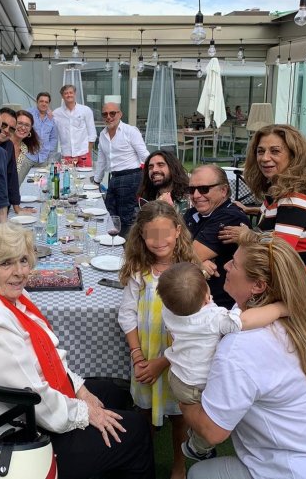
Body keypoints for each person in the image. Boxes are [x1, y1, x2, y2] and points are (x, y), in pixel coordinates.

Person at [0, 223, 155, 479]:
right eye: (5, 264)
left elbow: (44, 355)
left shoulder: (4, 298)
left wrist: (80, 389)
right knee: (136, 430)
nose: (20, 272)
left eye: (23, 260)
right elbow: (37, 400)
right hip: (24, 433)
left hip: (28, 410)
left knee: (113, 393)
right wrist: (85, 411)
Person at [181, 230, 306, 479]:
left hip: (287, 467)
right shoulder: (292, 318)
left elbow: (212, 431)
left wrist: (182, 397)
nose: (226, 265)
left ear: (258, 285)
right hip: (300, 444)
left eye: (235, 263)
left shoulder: (241, 347)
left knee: (198, 473)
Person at [157, 261, 287, 462]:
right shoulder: (213, 318)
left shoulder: (170, 311)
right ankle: (198, 448)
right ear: (206, 298)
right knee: (207, 423)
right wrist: (279, 309)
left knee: (189, 413)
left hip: (177, 376)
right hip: (197, 384)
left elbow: (182, 291)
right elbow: (244, 321)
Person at [118, 200, 200, 479]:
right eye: (151, 234)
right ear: (141, 235)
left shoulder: (190, 273)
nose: (159, 241)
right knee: (144, 416)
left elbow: (195, 329)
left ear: (178, 231)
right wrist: (138, 357)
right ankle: (144, 461)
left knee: (179, 417)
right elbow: (127, 314)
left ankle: (179, 462)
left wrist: (160, 363)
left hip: (177, 362)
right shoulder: (139, 271)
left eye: (165, 232)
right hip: (145, 357)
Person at [219, 124, 306, 274]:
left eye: (275, 151)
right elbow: (283, 218)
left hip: (297, 287)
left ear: (294, 156)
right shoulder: (280, 191)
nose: (265, 158)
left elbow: (278, 252)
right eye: (260, 151)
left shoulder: (294, 197)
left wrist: (247, 236)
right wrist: (251, 210)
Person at [183, 165, 249, 309]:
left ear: (223, 190)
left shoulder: (230, 217)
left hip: (220, 307)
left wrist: (192, 260)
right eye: (191, 190)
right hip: (194, 298)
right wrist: (195, 262)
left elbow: (188, 254)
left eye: (203, 189)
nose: (195, 195)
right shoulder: (192, 213)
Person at [93, 102, 149, 237]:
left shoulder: (130, 131)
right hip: (114, 179)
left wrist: (155, 171)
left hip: (131, 178)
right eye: (105, 114)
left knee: (126, 218)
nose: (109, 117)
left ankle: (127, 251)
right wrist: (96, 182)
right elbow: (101, 160)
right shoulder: (103, 135)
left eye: (112, 113)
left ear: (120, 114)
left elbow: (144, 155)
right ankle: (113, 246)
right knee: (110, 214)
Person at [53, 84, 97, 167]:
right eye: (66, 93)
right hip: (66, 155)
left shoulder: (85, 110)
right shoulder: (56, 113)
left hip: (83, 154)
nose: (69, 95)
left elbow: (92, 133)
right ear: (62, 96)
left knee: (85, 179)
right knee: (67, 179)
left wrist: (87, 151)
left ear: (75, 94)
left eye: (71, 92)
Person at [26, 92, 58, 166]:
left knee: (42, 177)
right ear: (36, 102)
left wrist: (49, 150)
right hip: (28, 156)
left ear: (48, 104)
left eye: (46, 102)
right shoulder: (28, 113)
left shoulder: (52, 118)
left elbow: (53, 138)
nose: (44, 104)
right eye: (41, 101)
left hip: (44, 158)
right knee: (22, 177)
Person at [11, 109, 41, 185]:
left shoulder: (24, 148)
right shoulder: (3, 144)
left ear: (30, 129)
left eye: (27, 125)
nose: (23, 128)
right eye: (20, 123)